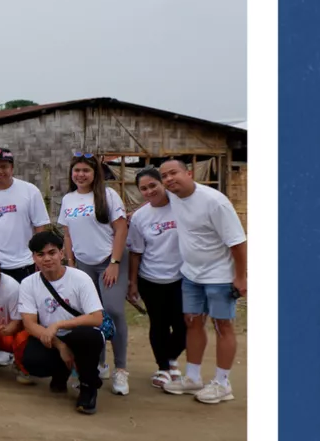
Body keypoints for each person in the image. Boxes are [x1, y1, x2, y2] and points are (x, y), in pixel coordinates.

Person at [156, 158, 246, 403]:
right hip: (191, 274)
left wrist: (241, 276)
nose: (169, 179)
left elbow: (237, 242)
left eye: (173, 173)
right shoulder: (174, 197)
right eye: (164, 176)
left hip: (219, 276)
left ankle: (222, 383)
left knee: (222, 325)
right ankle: (193, 378)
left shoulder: (214, 202)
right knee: (193, 323)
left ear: (189, 172)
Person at [58, 153, 130, 394]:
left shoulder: (108, 195)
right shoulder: (68, 199)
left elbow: (121, 229)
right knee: (91, 315)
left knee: (114, 310)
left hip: (109, 260)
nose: (80, 175)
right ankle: (98, 364)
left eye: (85, 171)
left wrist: (115, 261)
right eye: (76, 170)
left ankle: (121, 369)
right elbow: (67, 234)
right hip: (83, 263)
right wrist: (71, 264)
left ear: (95, 174)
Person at [17, 227, 105, 414]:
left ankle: (88, 387)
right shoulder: (28, 283)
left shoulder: (80, 278)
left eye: (52, 253)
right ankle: (61, 372)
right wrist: (60, 345)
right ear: (34, 258)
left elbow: (96, 318)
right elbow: (29, 324)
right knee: (31, 360)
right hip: (52, 339)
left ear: (62, 253)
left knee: (87, 337)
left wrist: (58, 325)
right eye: (40, 254)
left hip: (78, 334)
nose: (47, 259)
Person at [127, 167, 187, 389]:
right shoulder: (140, 218)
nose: (149, 191)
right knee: (159, 325)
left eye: (153, 185)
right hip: (151, 279)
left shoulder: (182, 207)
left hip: (182, 278)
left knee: (184, 326)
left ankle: (169, 359)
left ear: (163, 183)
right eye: (143, 188)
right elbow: (136, 252)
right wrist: (132, 282)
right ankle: (164, 368)